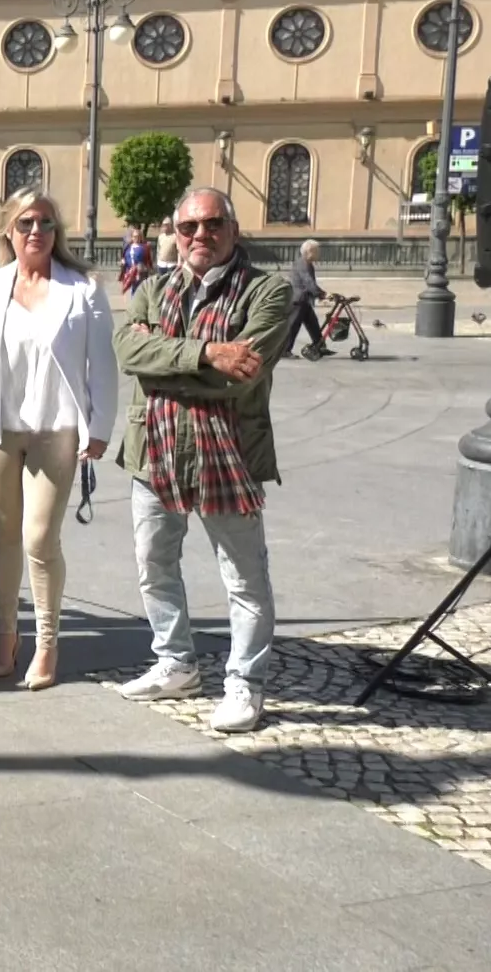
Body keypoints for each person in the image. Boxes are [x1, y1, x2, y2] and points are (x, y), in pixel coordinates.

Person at [113, 186, 290, 733]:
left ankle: (245, 683)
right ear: (175, 232)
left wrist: (167, 361)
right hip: (156, 452)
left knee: (243, 577)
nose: (199, 237)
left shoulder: (269, 292)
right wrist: (209, 351)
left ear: (233, 231)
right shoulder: (152, 288)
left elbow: (240, 378)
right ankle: (176, 662)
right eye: (188, 227)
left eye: (212, 225)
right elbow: (128, 352)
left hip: (226, 453)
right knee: (154, 563)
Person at [0, 190, 117, 690]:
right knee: (3, 537)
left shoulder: (82, 289)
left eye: (44, 222)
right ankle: (5, 634)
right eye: (24, 223)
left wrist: (99, 428)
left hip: (55, 429)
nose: (36, 231)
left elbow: (101, 363)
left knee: (40, 538)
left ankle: (46, 641)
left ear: (56, 232)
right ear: (8, 233)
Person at [282, 239, 330, 359]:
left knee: (313, 324)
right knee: (293, 326)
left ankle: (320, 346)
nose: (319, 253)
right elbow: (308, 282)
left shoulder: (306, 263)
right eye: (317, 251)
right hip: (298, 300)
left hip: (304, 299)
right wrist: (322, 294)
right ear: (309, 251)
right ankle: (284, 350)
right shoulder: (303, 264)